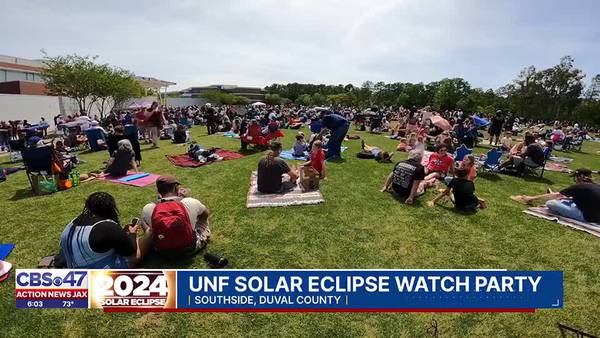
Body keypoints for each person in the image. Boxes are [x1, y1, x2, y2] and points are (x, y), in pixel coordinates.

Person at [138, 175, 211, 258]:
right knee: (203, 220)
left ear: (159, 191)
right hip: (189, 248)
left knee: (145, 222)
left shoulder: (149, 208)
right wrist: (186, 199)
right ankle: (203, 236)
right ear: (175, 188)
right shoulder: (189, 202)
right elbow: (205, 214)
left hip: (162, 252)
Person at [59, 192, 137, 268]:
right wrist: (132, 234)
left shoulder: (72, 223)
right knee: (138, 248)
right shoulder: (108, 226)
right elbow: (130, 251)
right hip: (98, 276)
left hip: (73, 270)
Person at [510, 168, 599, 222]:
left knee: (551, 203)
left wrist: (530, 198)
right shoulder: (595, 186)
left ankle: (528, 198)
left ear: (580, 176)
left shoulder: (579, 186)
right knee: (567, 200)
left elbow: (557, 195)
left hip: (589, 217)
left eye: (575, 177)